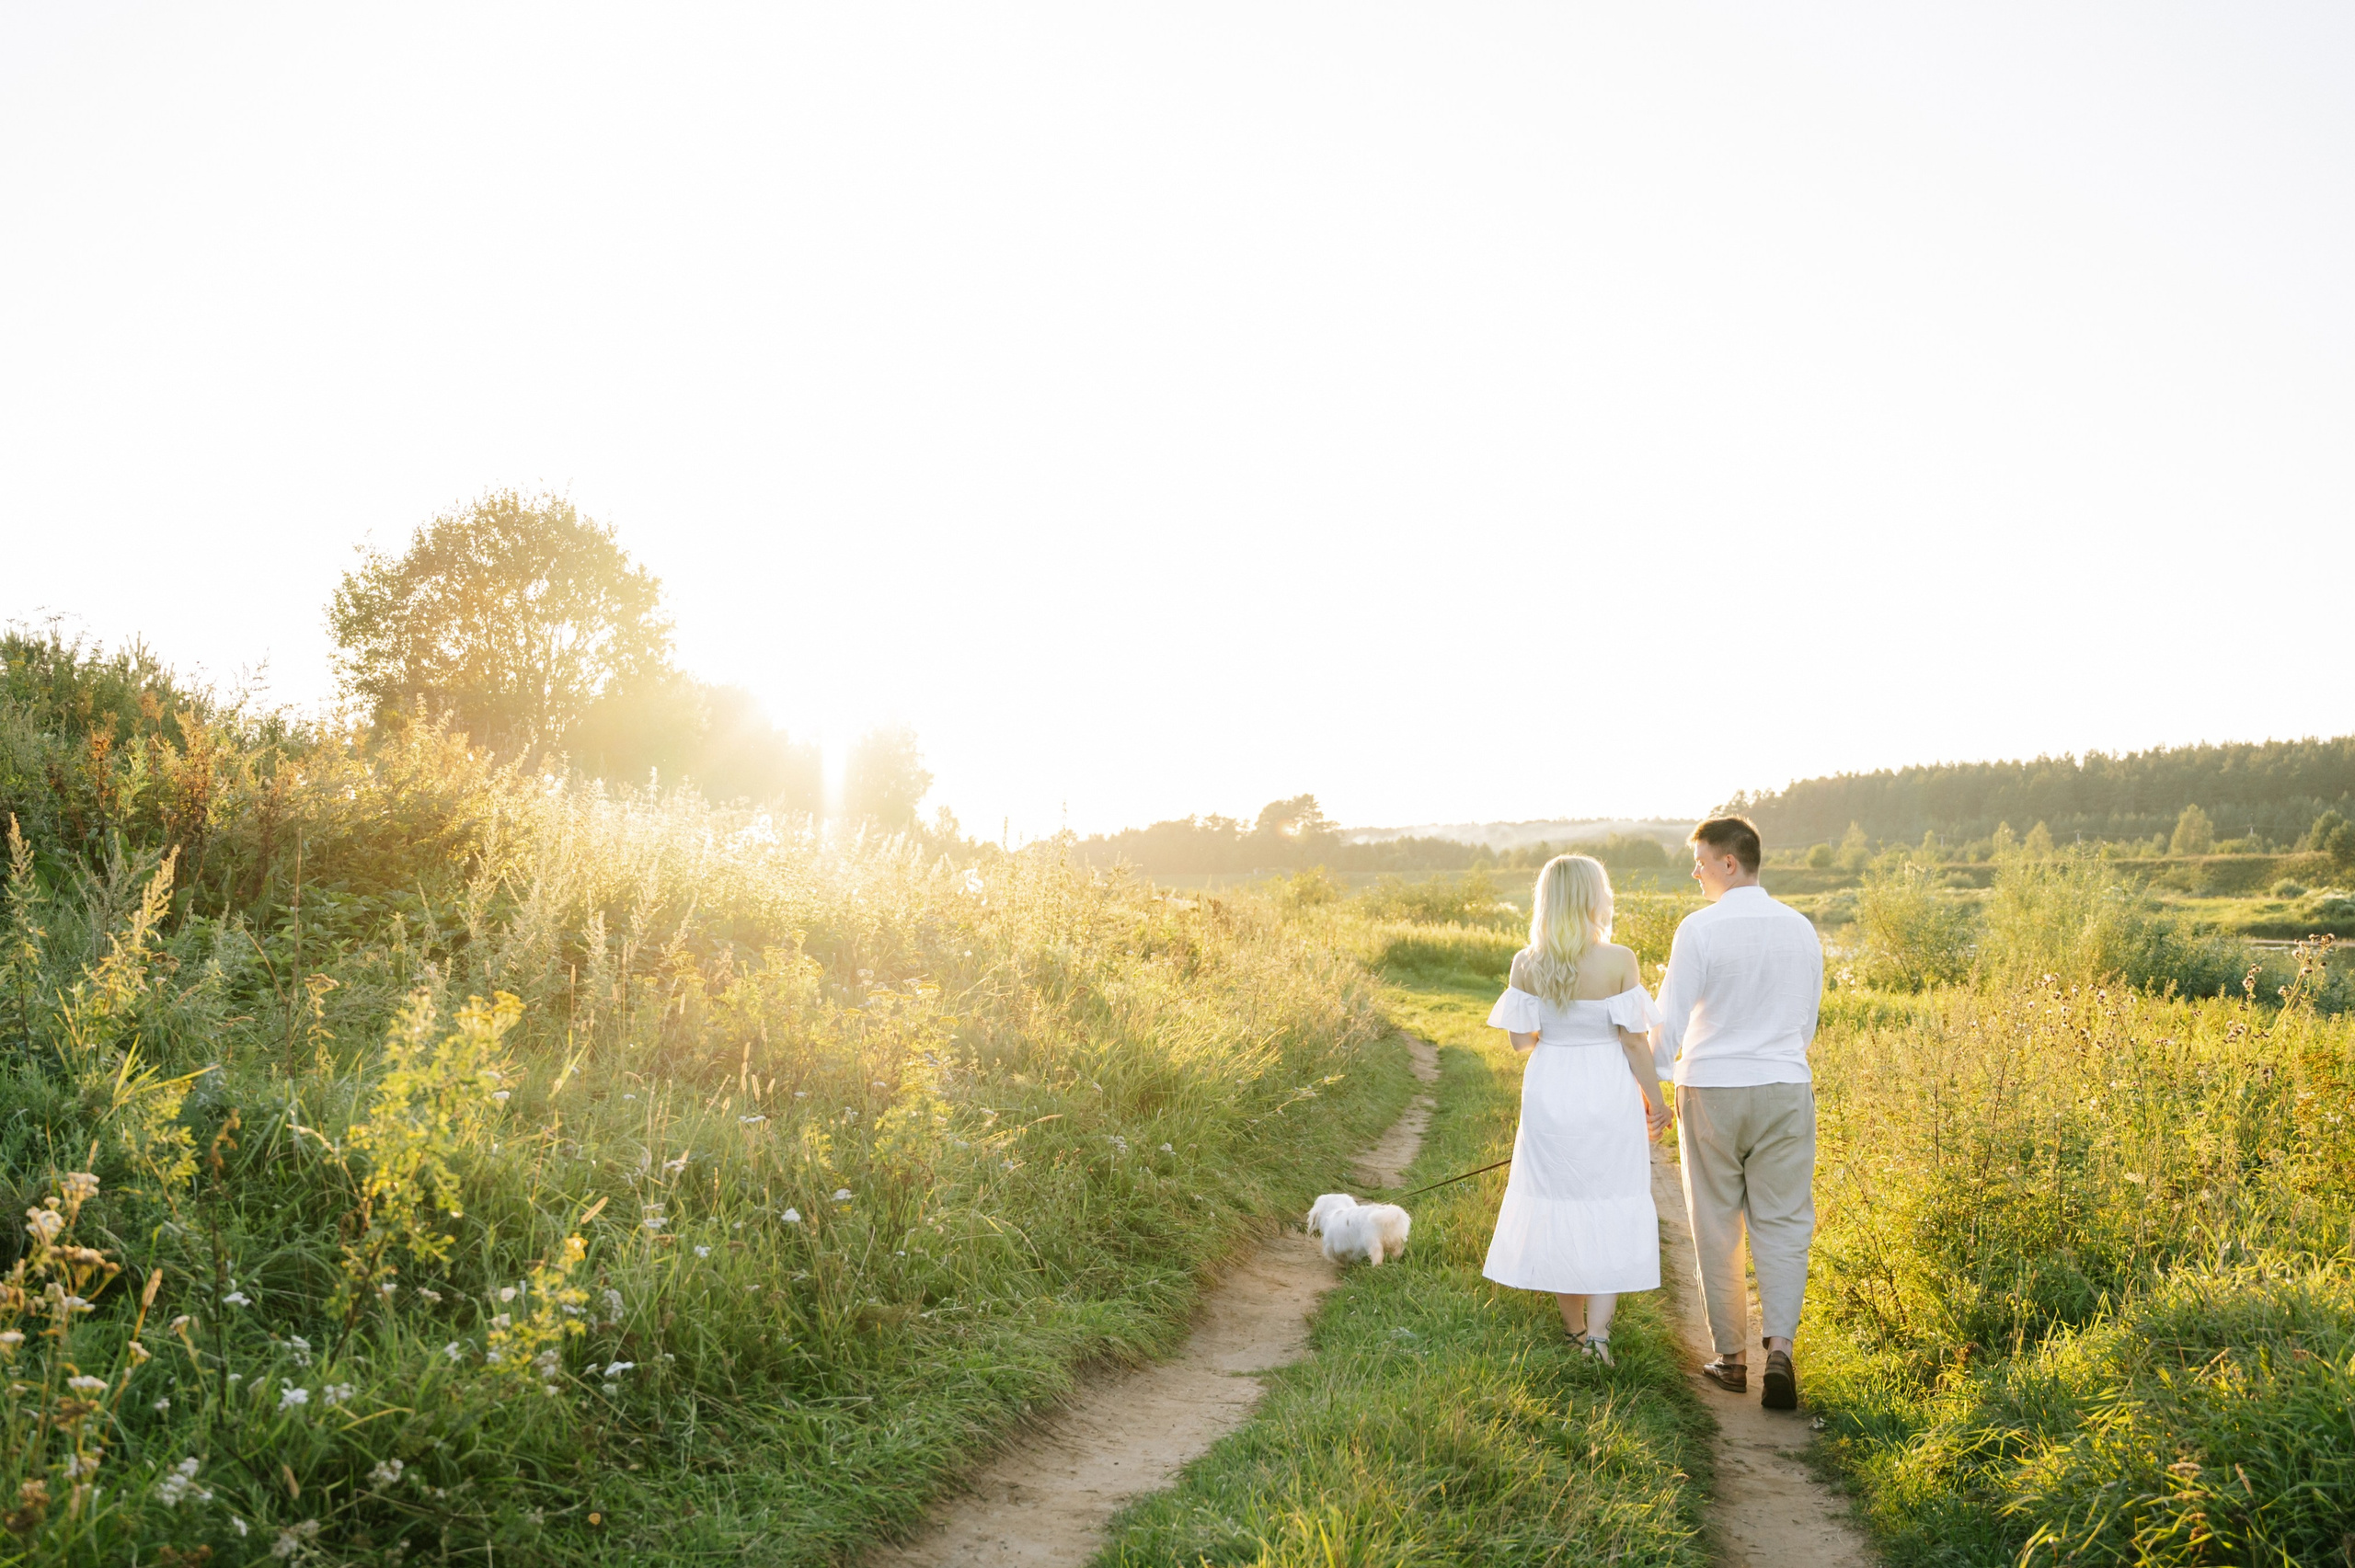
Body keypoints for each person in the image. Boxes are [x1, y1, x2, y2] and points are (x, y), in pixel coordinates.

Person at [1653, 815, 1824, 1411]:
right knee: (1784, 1221)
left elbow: (1668, 1020)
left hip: (1712, 1089)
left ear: (1731, 862)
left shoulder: (1698, 930)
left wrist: (1653, 1091)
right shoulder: (1802, 929)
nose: (1694, 870)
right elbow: (1807, 1022)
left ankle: (1731, 1359)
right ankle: (1780, 1349)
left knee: (1716, 1222)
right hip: (1783, 1085)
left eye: (1701, 859)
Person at [1482, 853, 1673, 1366]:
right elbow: (1635, 1044)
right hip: (1606, 1090)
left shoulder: (1526, 962)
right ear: (1594, 897)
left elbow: (1522, 1041)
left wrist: (1561, 1028)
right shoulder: (1619, 959)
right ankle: (1600, 1337)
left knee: (1557, 1201)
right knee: (1610, 1199)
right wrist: (1657, 1102)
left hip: (1551, 1088)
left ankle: (1572, 1334)